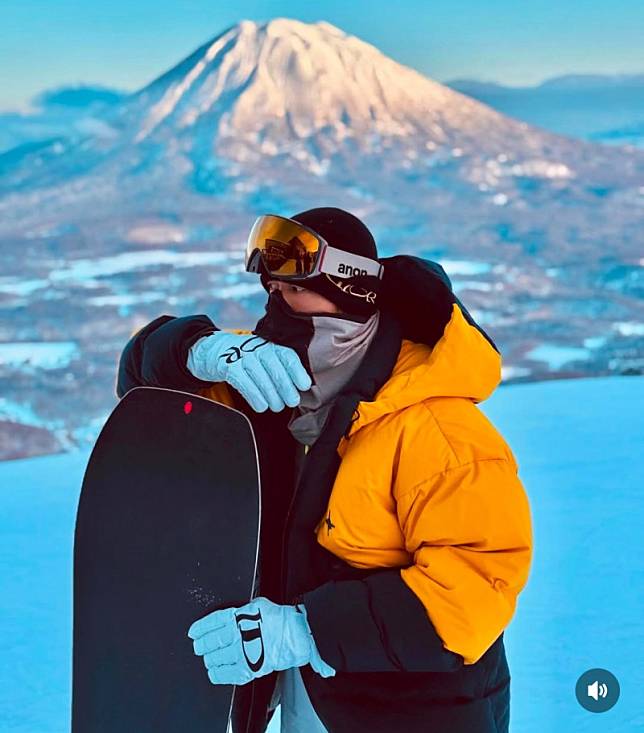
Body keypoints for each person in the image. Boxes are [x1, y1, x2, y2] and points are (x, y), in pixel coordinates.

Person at [116, 207, 533, 733]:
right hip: (306, 703)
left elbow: (473, 593)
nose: (276, 308)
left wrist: (303, 631)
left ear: (350, 293)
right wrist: (198, 350)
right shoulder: (268, 385)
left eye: (293, 292)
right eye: (270, 292)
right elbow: (140, 393)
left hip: (411, 714)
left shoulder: (439, 432)